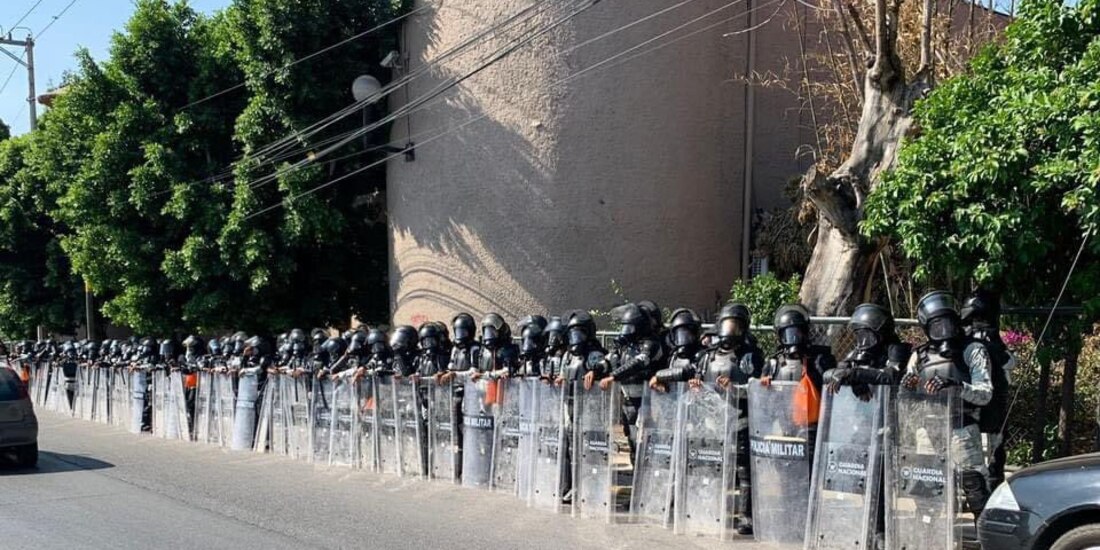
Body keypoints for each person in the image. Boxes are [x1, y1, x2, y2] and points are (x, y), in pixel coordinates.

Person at [652, 303, 763, 534]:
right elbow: (687, 372)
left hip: (740, 418)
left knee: (743, 470)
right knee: (708, 466)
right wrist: (662, 376)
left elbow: (757, 388)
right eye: (727, 324)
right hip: (711, 422)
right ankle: (707, 508)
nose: (730, 330)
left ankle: (745, 516)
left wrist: (736, 389)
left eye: (735, 326)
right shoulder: (706, 356)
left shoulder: (750, 356)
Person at [823, 303, 910, 547]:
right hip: (862, 426)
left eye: (867, 334)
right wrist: (848, 376)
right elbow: (835, 372)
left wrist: (857, 376)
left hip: (891, 422)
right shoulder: (861, 353)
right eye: (859, 334)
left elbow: (892, 376)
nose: (862, 341)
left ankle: (881, 531)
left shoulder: (896, 349)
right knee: (862, 476)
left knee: (881, 479)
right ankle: (867, 527)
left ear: (880, 332)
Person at [904, 290, 993, 517]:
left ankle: (985, 540)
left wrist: (957, 387)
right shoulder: (919, 356)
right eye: (936, 325)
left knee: (975, 491)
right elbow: (906, 400)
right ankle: (927, 538)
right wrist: (908, 387)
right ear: (926, 327)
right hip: (928, 431)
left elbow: (985, 394)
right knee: (925, 493)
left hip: (961, 429)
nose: (943, 330)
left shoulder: (972, 350)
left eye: (947, 324)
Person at [596, 303, 667, 463]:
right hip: (628, 398)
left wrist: (613, 376)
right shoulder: (626, 345)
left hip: (648, 399)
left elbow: (639, 362)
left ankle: (650, 475)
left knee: (646, 438)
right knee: (632, 438)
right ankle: (636, 475)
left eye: (631, 327)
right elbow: (609, 359)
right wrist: (595, 370)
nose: (628, 332)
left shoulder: (651, 344)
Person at [961, 289, 1015, 490]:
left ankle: (991, 489)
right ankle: (979, 489)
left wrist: (995, 344)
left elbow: (1009, 362)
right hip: (971, 403)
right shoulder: (964, 340)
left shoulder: (992, 340)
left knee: (993, 452)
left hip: (992, 405)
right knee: (974, 454)